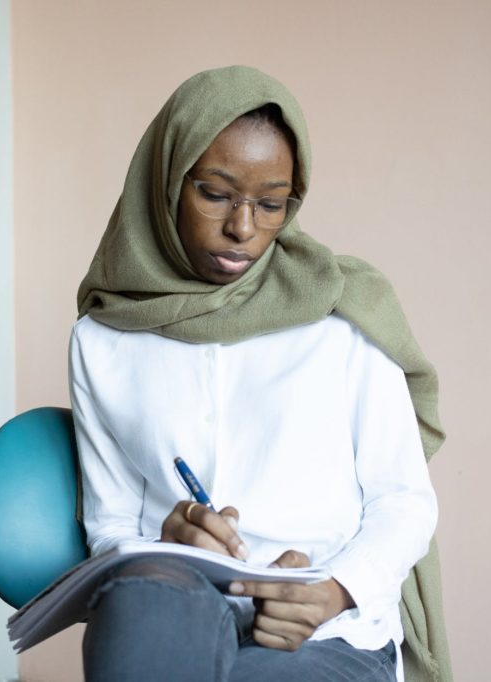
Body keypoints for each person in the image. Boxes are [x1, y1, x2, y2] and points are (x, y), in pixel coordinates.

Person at [70, 66, 451, 682]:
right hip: (179, 599)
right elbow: (110, 525)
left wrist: (333, 591)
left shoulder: (343, 312)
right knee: (144, 616)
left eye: (271, 204)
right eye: (215, 194)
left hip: (327, 627)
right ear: (166, 181)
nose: (242, 228)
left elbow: (402, 500)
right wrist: (167, 543)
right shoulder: (104, 336)